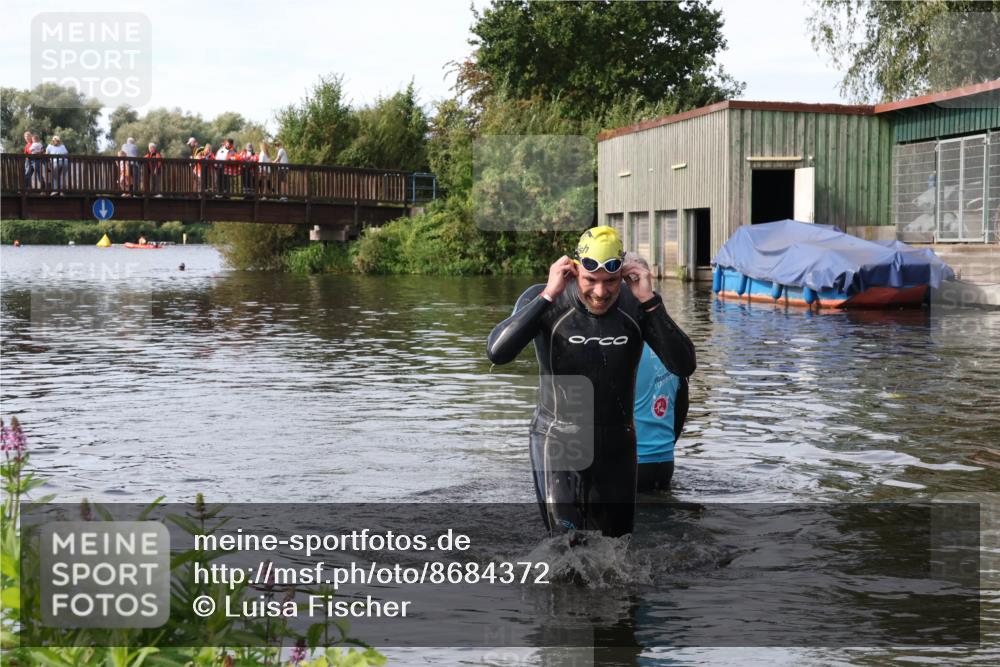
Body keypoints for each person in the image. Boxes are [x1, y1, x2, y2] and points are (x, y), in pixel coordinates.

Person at [486, 226, 696, 537]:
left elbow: (684, 365)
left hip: (617, 446)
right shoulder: (547, 301)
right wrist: (547, 295)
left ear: (623, 272)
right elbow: (497, 353)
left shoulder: (636, 306)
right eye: (591, 281)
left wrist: (650, 301)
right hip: (557, 440)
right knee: (565, 546)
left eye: (610, 281)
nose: (601, 292)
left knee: (617, 554)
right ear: (574, 269)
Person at [628, 254, 689, 493]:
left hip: (626, 464)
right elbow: (681, 406)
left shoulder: (620, 342)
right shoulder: (673, 341)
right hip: (664, 461)